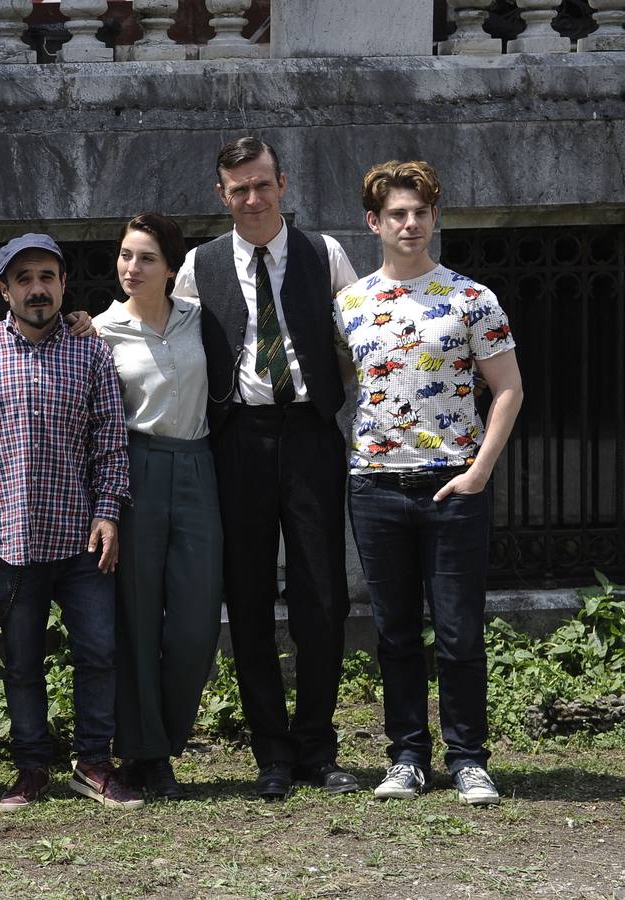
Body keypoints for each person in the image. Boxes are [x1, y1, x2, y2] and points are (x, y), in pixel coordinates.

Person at [171, 136, 360, 800]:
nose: (251, 199)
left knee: (323, 599)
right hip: (237, 441)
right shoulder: (197, 266)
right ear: (220, 195)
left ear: (282, 183)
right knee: (247, 600)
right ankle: (269, 755)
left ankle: (315, 747)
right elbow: (162, 339)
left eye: (261, 185)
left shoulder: (323, 253)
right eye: (237, 189)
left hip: (310, 435)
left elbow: (362, 334)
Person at [335, 160, 522, 806]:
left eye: (419, 212)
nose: (408, 223)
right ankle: (407, 757)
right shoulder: (350, 303)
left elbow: (508, 390)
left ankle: (468, 758)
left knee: (459, 630)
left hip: (453, 485)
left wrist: (478, 472)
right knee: (392, 632)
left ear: (434, 218)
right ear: (373, 223)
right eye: (395, 214)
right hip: (376, 486)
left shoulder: (471, 299)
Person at [0, 233, 141, 812]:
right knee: (21, 662)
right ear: (3, 289)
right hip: (9, 538)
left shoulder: (90, 351)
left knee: (98, 653)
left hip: (81, 538)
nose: (37, 289)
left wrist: (109, 512)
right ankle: (31, 766)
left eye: (47, 277)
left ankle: (93, 762)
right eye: (24, 279)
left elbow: (110, 441)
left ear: (63, 283)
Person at [94, 213, 222, 800]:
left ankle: (165, 739)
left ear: (172, 267)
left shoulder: (201, 319)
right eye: (125, 256)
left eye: (146, 257)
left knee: (196, 623)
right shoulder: (98, 331)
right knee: (139, 620)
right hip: (135, 467)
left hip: (197, 464)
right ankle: (147, 756)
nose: (132, 268)